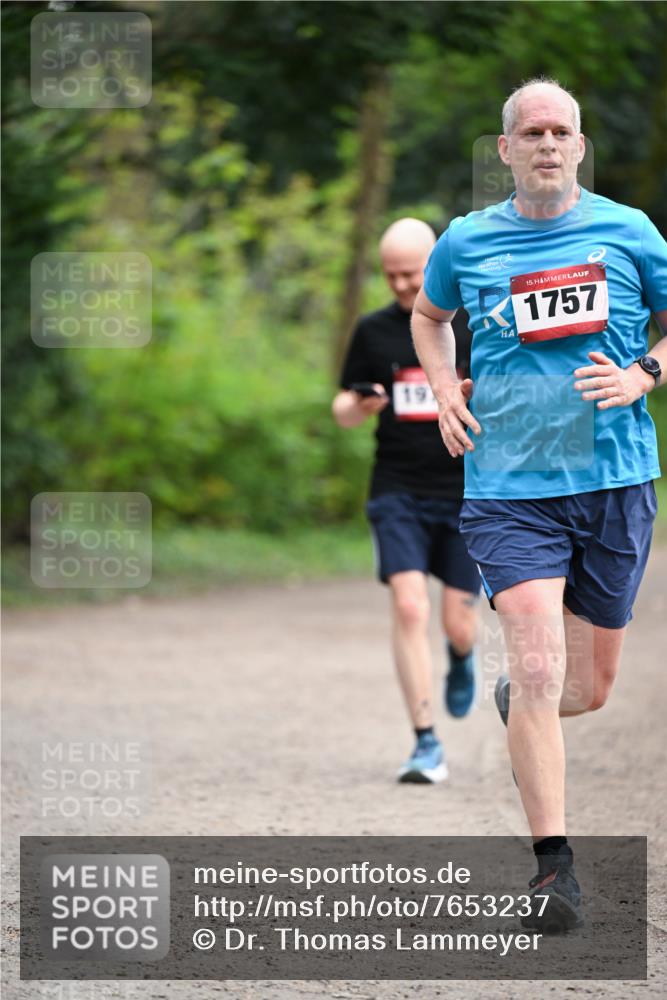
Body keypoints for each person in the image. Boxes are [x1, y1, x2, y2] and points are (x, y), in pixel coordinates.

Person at [412, 79, 667, 931]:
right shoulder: (467, 240)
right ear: (506, 150)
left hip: (613, 480)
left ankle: (524, 705)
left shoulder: (628, 232)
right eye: (532, 132)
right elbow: (429, 314)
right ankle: (553, 871)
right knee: (535, 664)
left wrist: (643, 374)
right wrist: (445, 387)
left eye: (561, 131)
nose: (548, 143)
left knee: (586, 689)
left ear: (579, 147)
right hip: (508, 489)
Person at [332, 218, 481, 785]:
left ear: (437, 266)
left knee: (458, 624)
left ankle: (462, 658)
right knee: (411, 607)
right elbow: (342, 410)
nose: (398, 285)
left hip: (466, 491)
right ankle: (425, 742)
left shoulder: (471, 326)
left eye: (410, 273)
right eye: (390, 274)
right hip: (397, 488)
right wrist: (359, 406)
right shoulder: (373, 333)